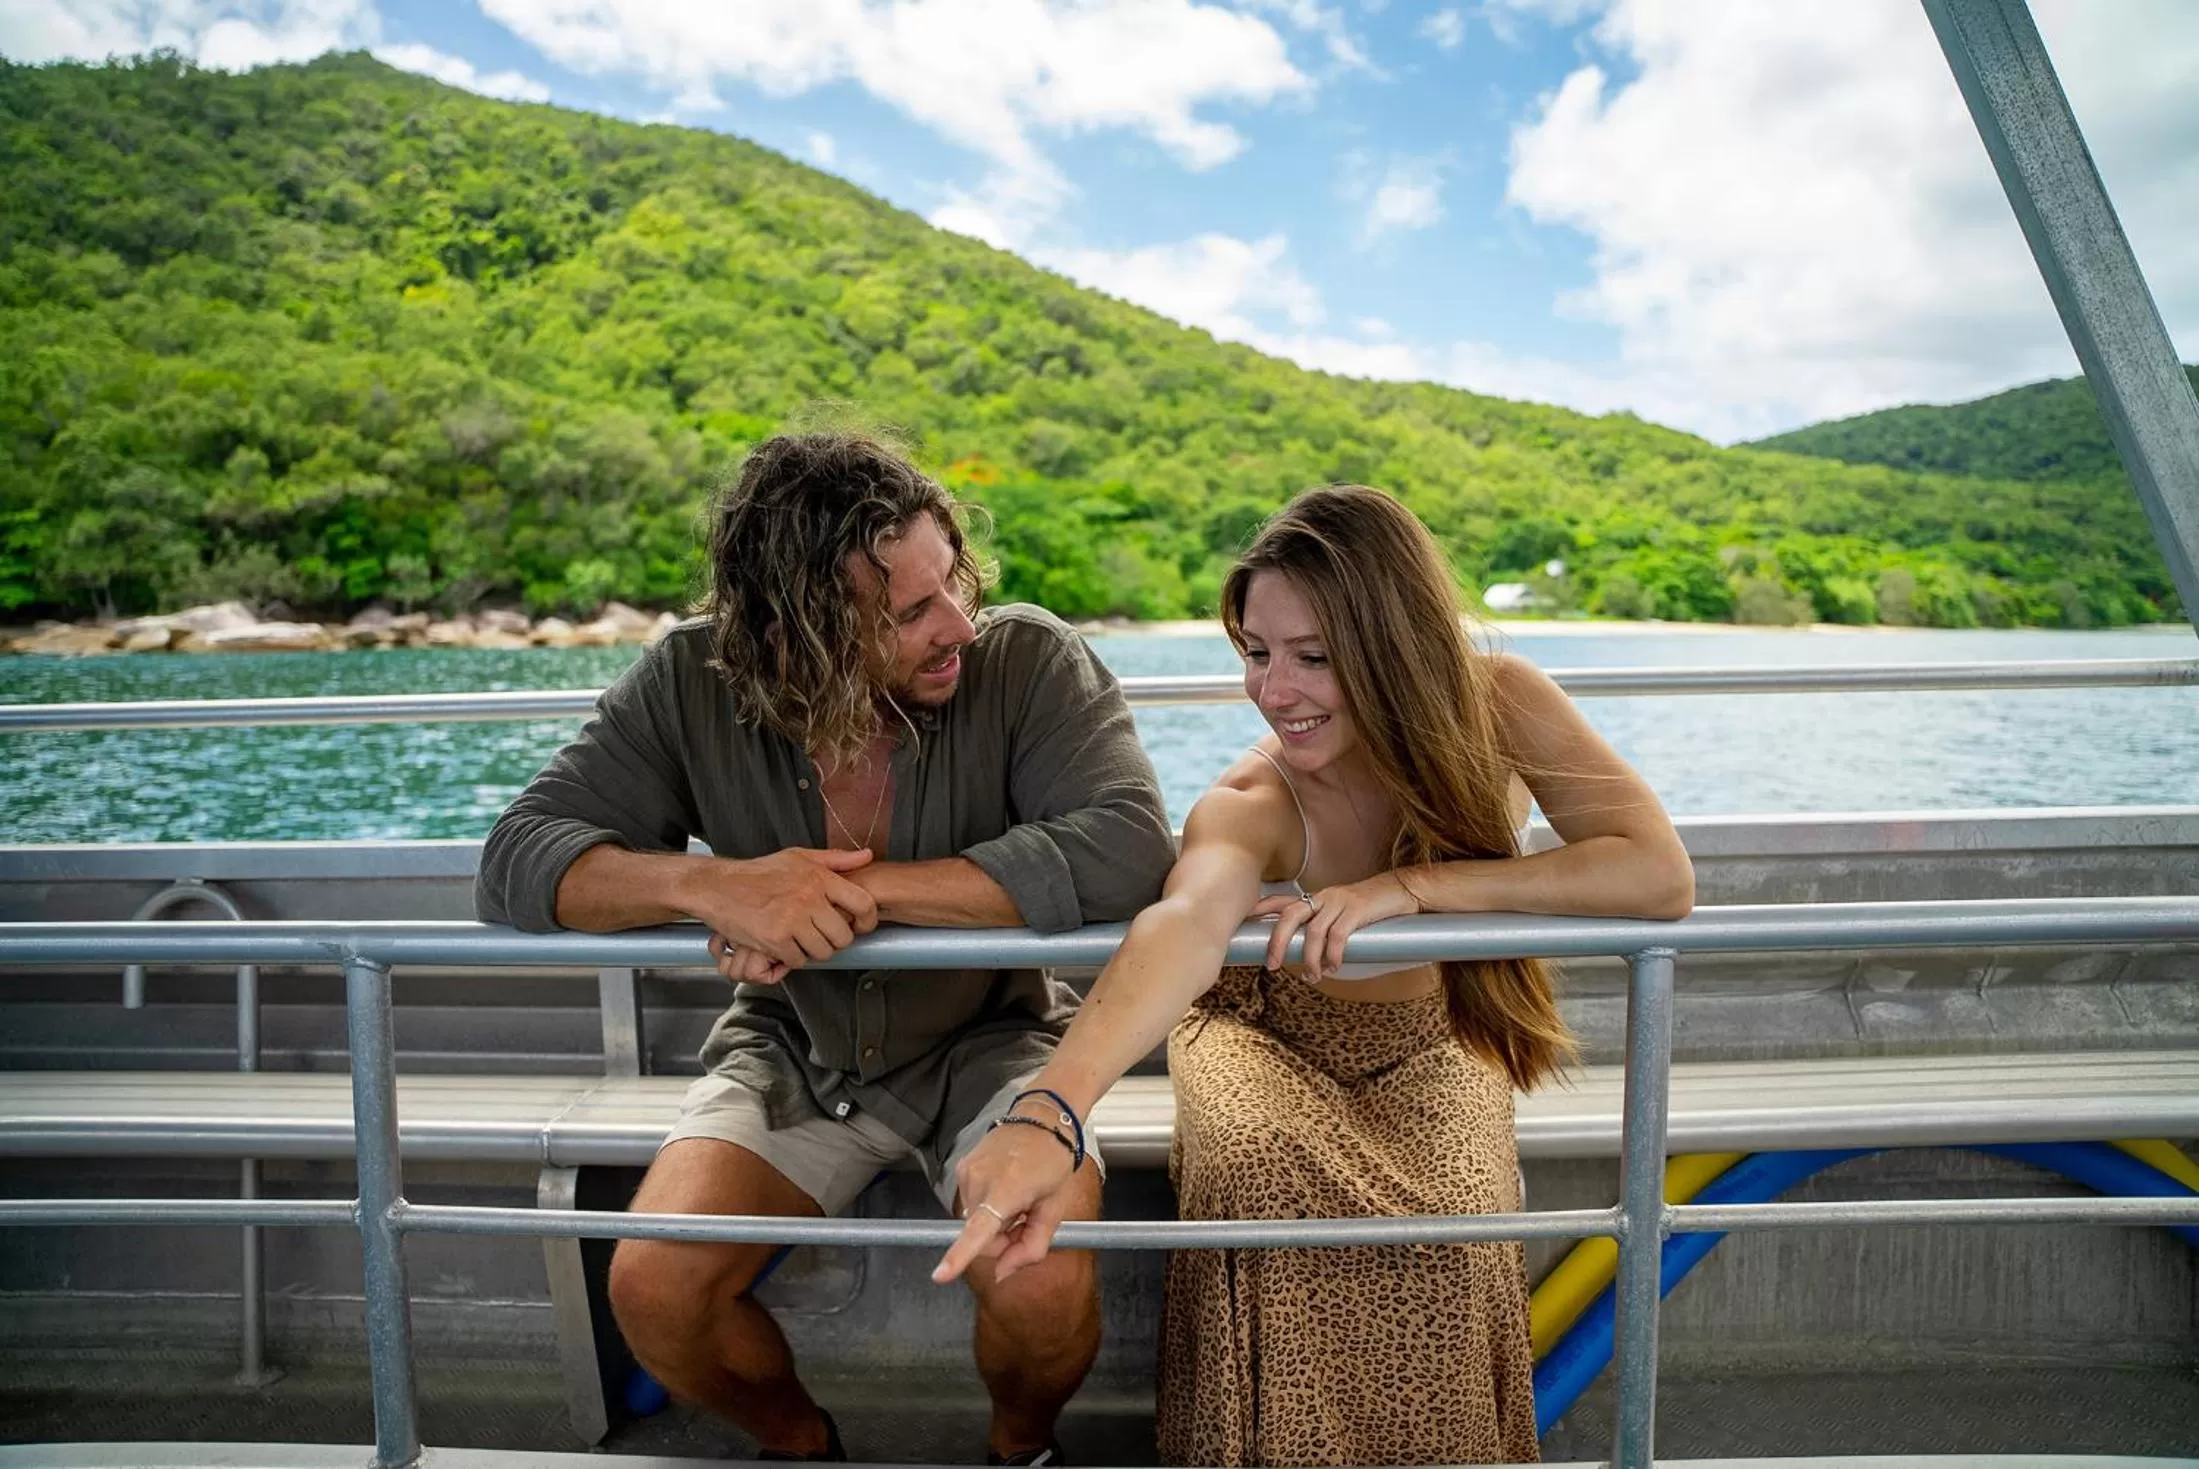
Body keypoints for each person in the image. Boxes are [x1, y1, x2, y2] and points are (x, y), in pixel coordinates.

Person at [934, 484, 1695, 1465]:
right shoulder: (1254, 797)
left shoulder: (1498, 702)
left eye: (1312, 656)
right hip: (1264, 1028)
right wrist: (1050, 1112)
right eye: (1255, 652)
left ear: (1394, 643)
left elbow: (1657, 873)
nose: (1273, 689)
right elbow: (1186, 921)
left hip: (1429, 1034)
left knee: (1459, 1227)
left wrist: (1413, 888)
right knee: (1263, 1185)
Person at [476, 432, 1176, 1463]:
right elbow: (516, 860)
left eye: (954, 583)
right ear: (790, 636)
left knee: (1039, 1277)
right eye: (909, 614)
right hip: (790, 1041)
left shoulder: (1026, 659)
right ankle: (804, 1446)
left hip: (995, 1033)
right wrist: (712, 886)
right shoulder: (688, 674)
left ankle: (1019, 1447)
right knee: (654, 1287)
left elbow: (1126, 849)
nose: (958, 627)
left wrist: (837, 894)